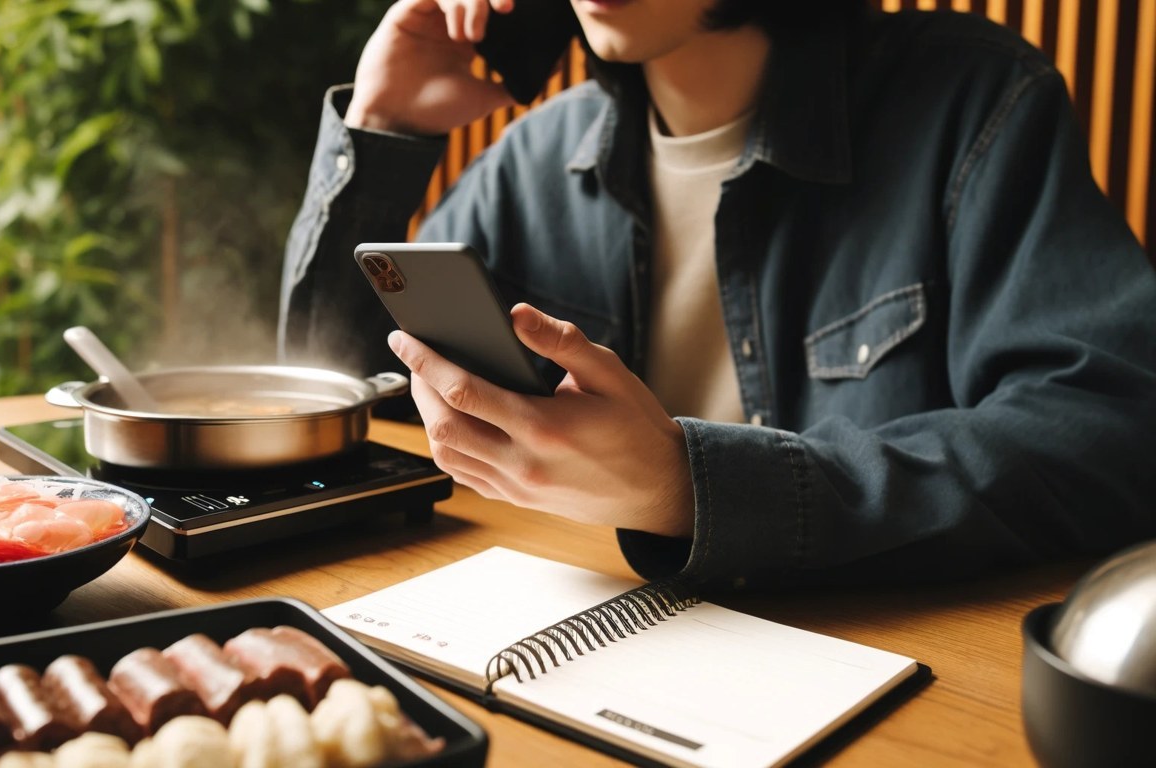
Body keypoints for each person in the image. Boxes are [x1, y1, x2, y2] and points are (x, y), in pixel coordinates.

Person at [277, 0, 1156, 590]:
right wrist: (382, 131)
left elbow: (1108, 434)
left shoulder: (976, 102)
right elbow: (334, 390)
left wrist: (693, 490)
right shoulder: (539, 156)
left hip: (883, 668)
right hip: (604, 644)